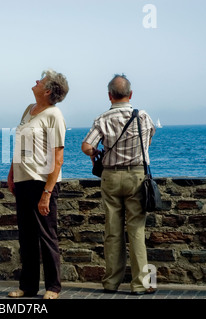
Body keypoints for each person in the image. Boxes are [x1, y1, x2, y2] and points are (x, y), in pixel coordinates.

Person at [81, 74, 156, 295]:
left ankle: (111, 282)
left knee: (113, 231)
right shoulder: (143, 116)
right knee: (136, 230)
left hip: (111, 177)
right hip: (137, 176)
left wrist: (95, 152)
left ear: (110, 95)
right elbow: (148, 141)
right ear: (130, 94)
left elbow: (86, 146)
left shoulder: (102, 119)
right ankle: (140, 284)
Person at [7, 69, 69, 299]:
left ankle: (53, 287)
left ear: (48, 90)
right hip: (23, 180)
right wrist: (12, 172)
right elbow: (21, 145)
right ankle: (28, 286)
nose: (35, 81)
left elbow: (58, 157)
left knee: (47, 235)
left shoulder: (54, 115)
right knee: (26, 237)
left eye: (40, 81)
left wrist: (47, 193)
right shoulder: (28, 110)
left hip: (42, 182)